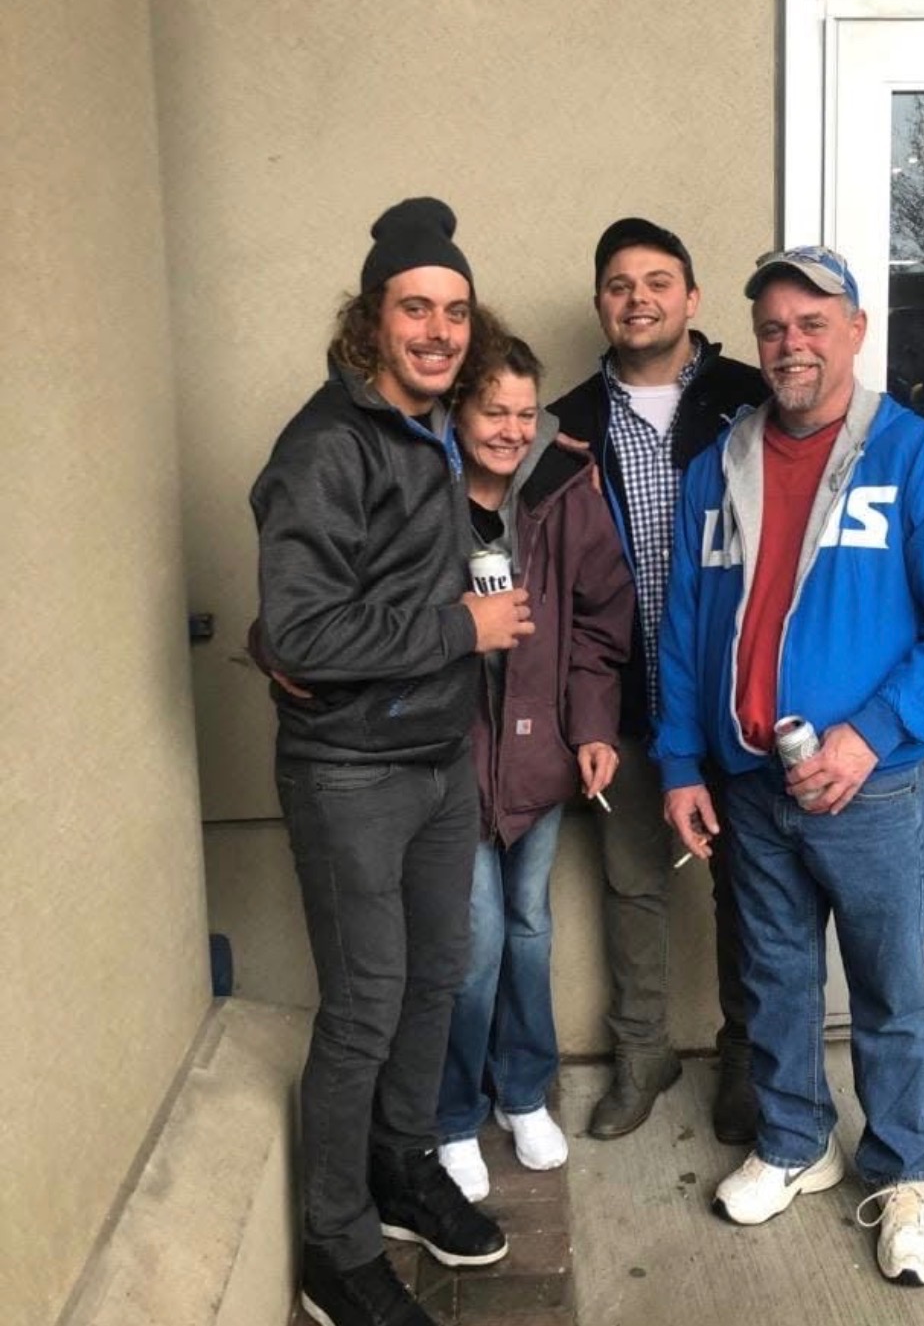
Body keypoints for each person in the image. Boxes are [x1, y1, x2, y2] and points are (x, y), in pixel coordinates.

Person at [655, 245, 924, 1286]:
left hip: (870, 786)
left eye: (813, 323)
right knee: (775, 980)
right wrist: (679, 762)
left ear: (855, 330)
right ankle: (796, 1140)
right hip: (751, 781)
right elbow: (683, 631)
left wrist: (873, 732)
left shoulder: (913, 456)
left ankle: (903, 1173)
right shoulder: (717, 467)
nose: (791, 344)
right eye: (773, 327)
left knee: (891, 990)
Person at [250, 199, 535, 1326]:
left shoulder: (433, 431)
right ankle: (335, 1245)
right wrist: (463, 628)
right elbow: (302, 630)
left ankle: (400, 1164)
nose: (439, 329)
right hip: (351, 774)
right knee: (366, 1004)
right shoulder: (328, 444)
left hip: (433, 758)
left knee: (435, 977)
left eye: (455, 311)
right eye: (416, 308)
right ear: (371, 318)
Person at [549, 218, 768, 1144]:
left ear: (692, 297)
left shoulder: (751, 400)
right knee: (632, 880)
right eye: (619, 284)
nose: (638, 298)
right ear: (601, 303)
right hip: (628, 695)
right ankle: (642, 1052)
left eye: (658, 281)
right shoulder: (565, 425)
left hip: (739, 695)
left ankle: (747, 1055)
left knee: (748, 883)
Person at [434, 317, 634, 1201]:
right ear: (458, 411)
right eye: (494, 411)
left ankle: (523, 1091)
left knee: (529, 926)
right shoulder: (423, 493)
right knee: (472, 941)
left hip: (539, 754)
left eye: (525, 412)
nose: (513, 430)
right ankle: (452, 1114)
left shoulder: (561, 485)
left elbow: (600, 619)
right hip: (451, 762)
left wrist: (591, 727)